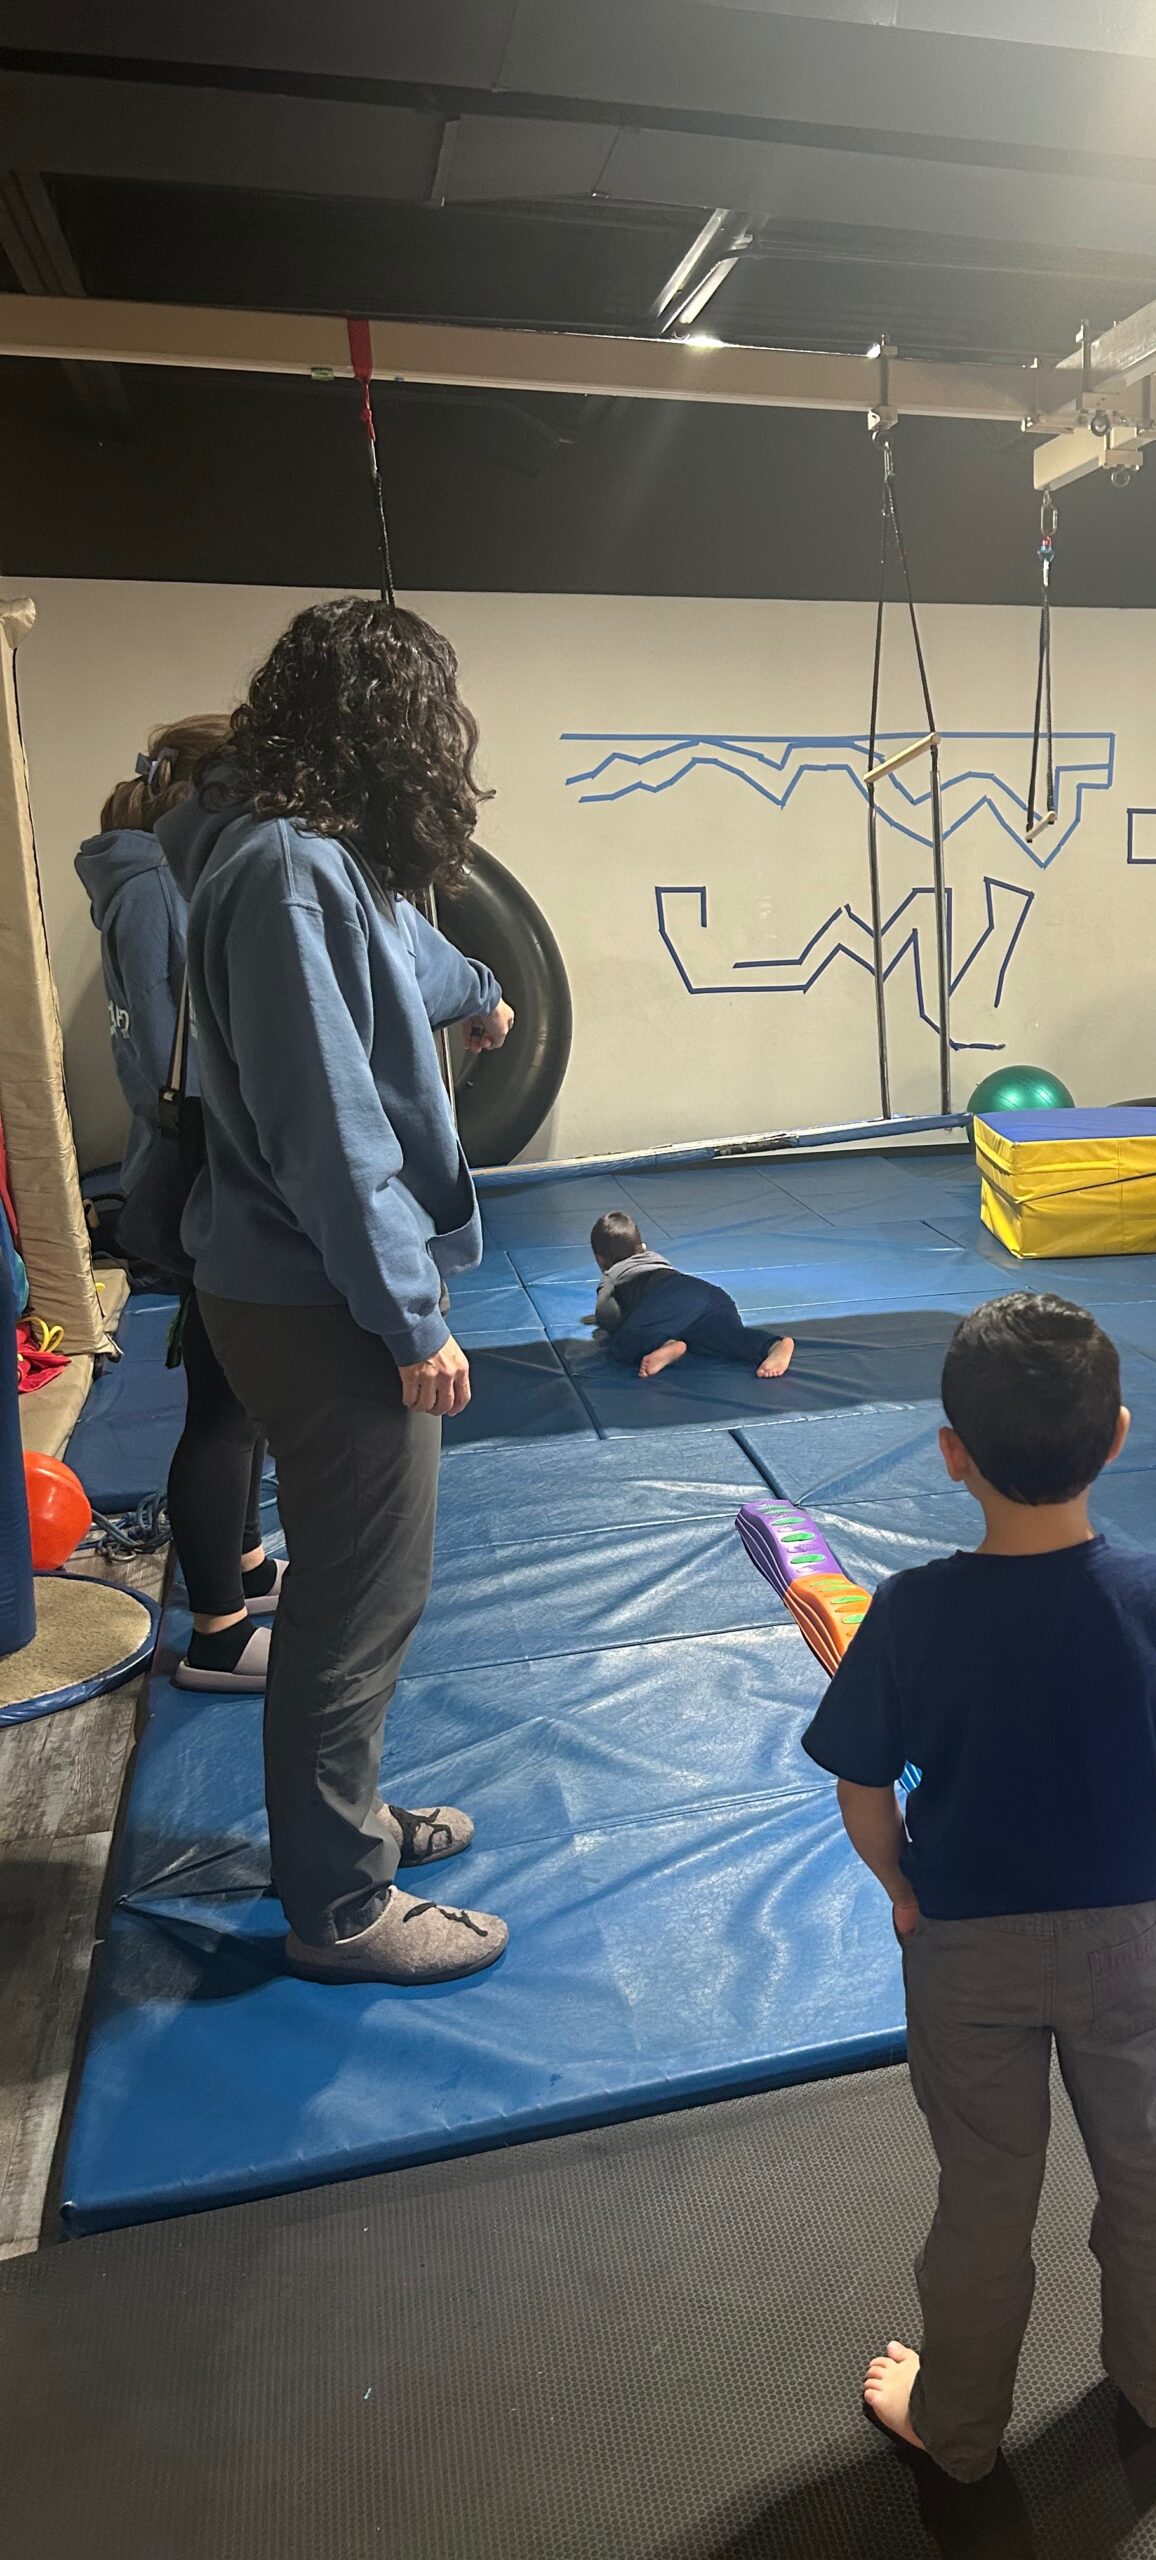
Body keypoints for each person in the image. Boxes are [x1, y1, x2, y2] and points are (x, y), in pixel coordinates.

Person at [801, 1292, 1156, 2483]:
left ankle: (956, 2428)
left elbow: (862, 1787)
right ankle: (1155, 2385)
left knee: (984, 2196)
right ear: (1118, 1436)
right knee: (1149, 2176)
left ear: (952, 1454)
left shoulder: (911, 1610)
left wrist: (900, 1885)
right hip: (1127, 1941)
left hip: (966, 1948)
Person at [157, 597, 515, 1987]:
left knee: (360, 1594)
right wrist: (409, 1317)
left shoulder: (322, 865)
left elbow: (415, 958)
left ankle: (340, 1827)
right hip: (319, 1300)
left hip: (303, 1289)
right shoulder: (288, 874)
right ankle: (342, 1907)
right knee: (356, 1604)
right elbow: (328, 1128)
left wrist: (479, 987)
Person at [78, 717, 282, 1691]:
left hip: (199, 1161)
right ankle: (217, 1633)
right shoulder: (160, 890)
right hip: (209, 1169)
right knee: (225, 1405)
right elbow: (182, 1062)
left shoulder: (145, 884)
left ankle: (243, 1566)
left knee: (244, 1392)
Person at [588, 1207, 794, 1381]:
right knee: (726, 1337)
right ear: (642, 1247)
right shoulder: (655, 1259)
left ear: (600, 1259)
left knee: (623, 1342)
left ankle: (666, 1345)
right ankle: (773, 1345)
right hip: (710, 1297)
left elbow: (608, 1316)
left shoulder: (612, 1275)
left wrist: (611, 1322)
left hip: (666, 1298)